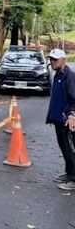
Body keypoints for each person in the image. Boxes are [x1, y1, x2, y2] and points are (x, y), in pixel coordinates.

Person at [46, 48, 75, 190]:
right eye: (51, 59)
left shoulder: (69, 76)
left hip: (68, 121)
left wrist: (72, 116)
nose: (52, 62)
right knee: (64, 148)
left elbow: (74, 99)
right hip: (59, 119)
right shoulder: (57, 74)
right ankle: (69, 173)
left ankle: (74, 179)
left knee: (70, 149)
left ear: (64, 60)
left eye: (55, 59)